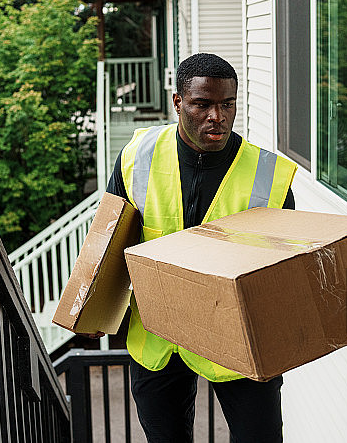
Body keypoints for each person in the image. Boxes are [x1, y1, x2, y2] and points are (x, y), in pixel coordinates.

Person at [103, 53, 297, 442]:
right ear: (178, 102)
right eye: (203, 104)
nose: (217, 116)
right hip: (159, 336)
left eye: (227, 104)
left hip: (240, 340)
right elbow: (109, 245)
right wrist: (95, 313)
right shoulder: (137, 157)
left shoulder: (269, 175)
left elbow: (285, 271)